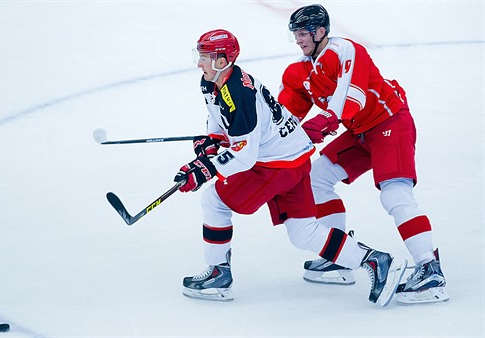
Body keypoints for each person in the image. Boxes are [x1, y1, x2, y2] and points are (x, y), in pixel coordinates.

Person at [173, 28, 406, 306]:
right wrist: (212, 138)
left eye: (204, 57)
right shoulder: (213, 81)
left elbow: (245, 154)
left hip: (275, 166)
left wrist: (206, 168)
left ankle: (217, 275)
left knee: (214, 200)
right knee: (303, 232)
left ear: (222, 61)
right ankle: (376, 261)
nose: (199, 63)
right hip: (295, 160)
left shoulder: (238, 93)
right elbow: (218, 116)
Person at [278, 4, 448, 304]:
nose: (298, 40)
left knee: (395, 195)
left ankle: (430, 270)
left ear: (320, 32)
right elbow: (283, 118)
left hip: (390, 124)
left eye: (303, 33)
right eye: (295, 34)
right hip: (360, 134)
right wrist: (248, 135)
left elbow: (351, 96)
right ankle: (339, 256)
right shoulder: (301, 71)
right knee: (317, 176)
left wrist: (328, 119)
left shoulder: (345, 50)